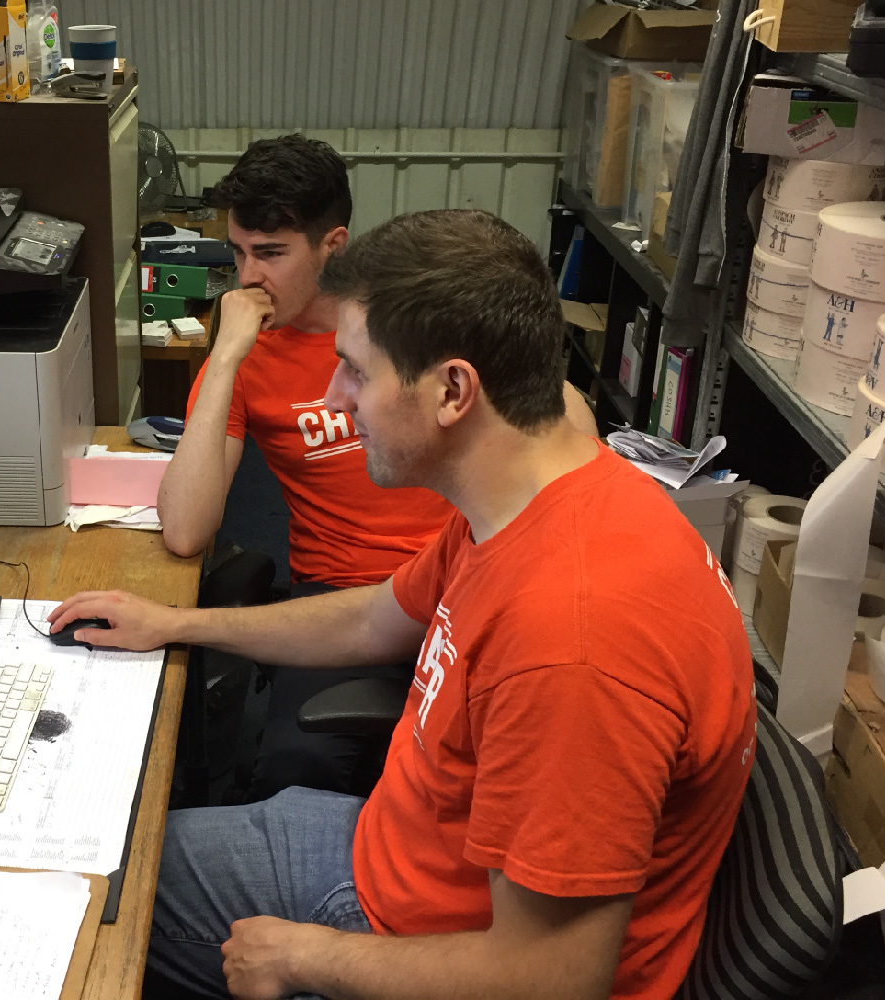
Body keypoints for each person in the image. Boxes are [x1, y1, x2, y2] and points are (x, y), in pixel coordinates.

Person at [52, 210, 753, 999]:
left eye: (355, 369)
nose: (333, 394)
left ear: (453, 389)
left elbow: (553, 977)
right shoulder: (535, 500)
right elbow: (370, 617)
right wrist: (177, 624)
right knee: (120, 844)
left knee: (73, 904)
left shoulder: (573, 641)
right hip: (402, 848)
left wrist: (301, 958)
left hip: (421, 932)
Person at [159, 134, 595, 801]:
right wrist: (223, 358)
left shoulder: (409, 321)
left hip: (459, 586)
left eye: (271, 254)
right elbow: (187, 530)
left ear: (332, 245)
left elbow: (561, 415)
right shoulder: (249, 353)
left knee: (517, 764)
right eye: (238, 253)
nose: (248, 278)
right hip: (335, 593)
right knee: (295, 765)